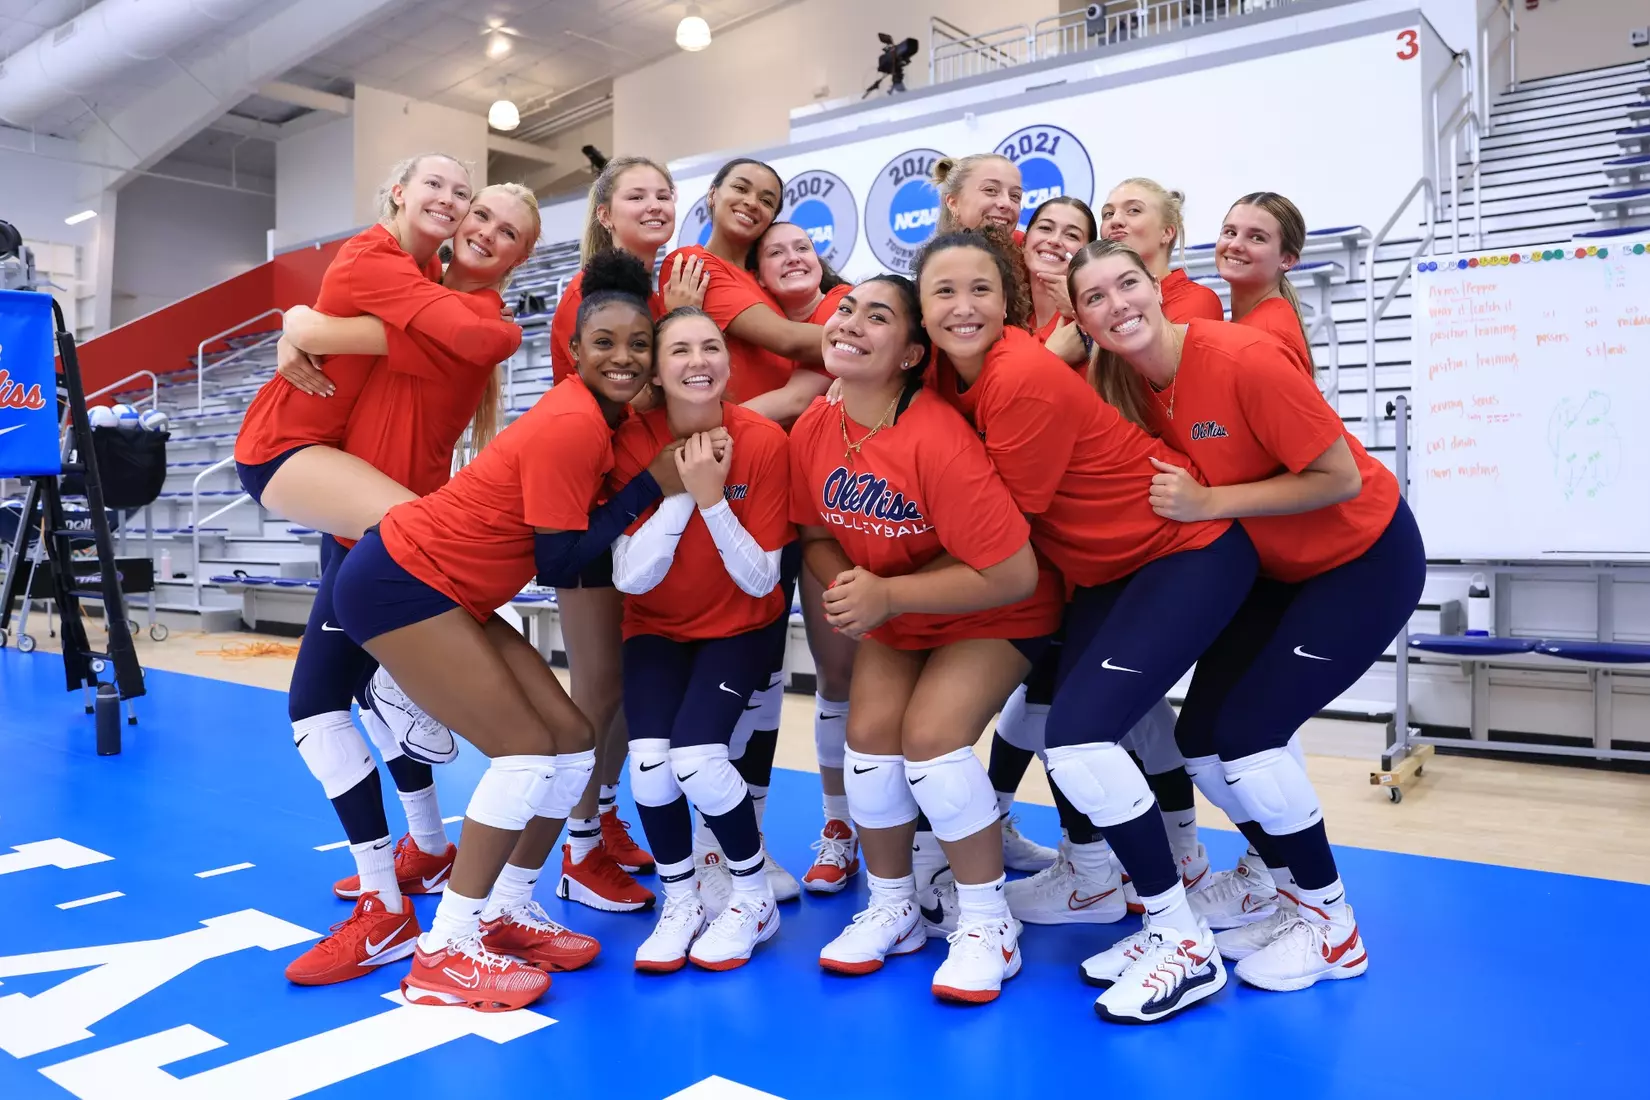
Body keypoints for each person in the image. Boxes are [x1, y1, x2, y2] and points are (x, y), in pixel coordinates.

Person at [917, 231, 1259, 1023]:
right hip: (1115, 569)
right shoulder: (947, 371)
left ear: (1011, 301)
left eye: (980, 290)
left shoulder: (1021, 378)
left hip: (1185, 553)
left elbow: (995, 530)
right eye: (943, 292)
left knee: (1077, 739)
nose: (964, 307)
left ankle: (1184, 939)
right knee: (1072, 728)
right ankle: (1106, 885)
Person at [327, 249, 680, 1009]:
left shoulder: (605, 418)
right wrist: (657, 485)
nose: (623, 357)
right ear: (575, 352)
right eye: (606, 343)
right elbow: (562, 558)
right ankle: (444, 950)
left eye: (638, 344)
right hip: (400, 582)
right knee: (525, 752)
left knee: (572, 740)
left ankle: (505, 909)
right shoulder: (574, 425)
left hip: (453, 588)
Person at [1070, 237, 1422, 993]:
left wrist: (1211, 504)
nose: (1117, 305)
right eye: (1094, 298)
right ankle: (1285, 889)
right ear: (1082, 324)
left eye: (1127, 284)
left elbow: (1334, 476)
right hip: (1276, 568)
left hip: (1363, 557)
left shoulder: (1243, 359)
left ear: (1157, 286)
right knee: (1201, 738)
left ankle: (1334, 930)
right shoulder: (1121, 382)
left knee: (1251, 739)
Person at [238, 161, 537, 986]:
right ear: (400, 194)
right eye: (467, 204)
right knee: (325, 696)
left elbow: (473, 337)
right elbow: (375, 326)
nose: (474, 222)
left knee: (321, 697)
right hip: (333, 484)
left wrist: (304, 324)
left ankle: (419, 864)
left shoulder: (462, 305)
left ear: (519, 256)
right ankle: (399, 880)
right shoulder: (380, 264)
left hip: (370, 506)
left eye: (505, 229)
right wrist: (300, 323)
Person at [795, 274, 1061, 1003]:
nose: (849, 322)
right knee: (870, 742)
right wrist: (852, 587)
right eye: (846, 308)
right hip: (900, 610)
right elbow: (813, 534)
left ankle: (987, 922)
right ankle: (894, 906)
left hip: (997, 608)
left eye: (876, 317)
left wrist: (885, 594)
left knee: (933, 741)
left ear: (912, 352)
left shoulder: (935, 433)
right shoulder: (817, 426)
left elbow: (1011, 573)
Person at [658, 160, 841, 905]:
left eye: (768, 199)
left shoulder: (760, 279)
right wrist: (766, 409)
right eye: (742, 191)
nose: (754, 206)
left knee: (764, 679)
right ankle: (710, 850)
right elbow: (803, 357)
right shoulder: (696, 267)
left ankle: (746, 844)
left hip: (779, 493)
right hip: (719, 490)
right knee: (720, 681)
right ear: (710, 197)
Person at [609, 307, 793, 973]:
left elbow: (761, 579)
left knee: (698, 760)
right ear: (657, 373)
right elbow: (630, 577)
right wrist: (685, 490)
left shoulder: (765, 442)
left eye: (710, 347)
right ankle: (680, 899)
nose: (698, 360)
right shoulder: (634, 440)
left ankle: (750, 898)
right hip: (654, 628)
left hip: (739, 626)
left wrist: (714, 499)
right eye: (679, 349)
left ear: (729, 363)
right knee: (651, 767)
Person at [546, 156, 704, 917]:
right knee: (599, 688)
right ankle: (576, 852)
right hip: (591, 506)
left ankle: (601, 818)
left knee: (624, 696)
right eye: (637, 194)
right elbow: (623, 392)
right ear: (605, 212)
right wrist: (673, 321)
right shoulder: (593, 297)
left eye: (665, 194)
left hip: (637, 504)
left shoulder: (660, 285)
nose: (655, 204)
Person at [746, 221, 861, 895]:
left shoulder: (843, 315)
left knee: (842, 671)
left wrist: (697, 419)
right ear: (758, 276)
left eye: (802, 247)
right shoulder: (748, 333)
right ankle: (808, 830)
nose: (792, 257)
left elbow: (796, 398)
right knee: (773, 676)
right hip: (761, 512)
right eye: (775, 252)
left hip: (838, 512)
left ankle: (850, 827)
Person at [1217, 191, 1315, 376]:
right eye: (1230, 232)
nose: (1235, 245)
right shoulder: (1253, 324)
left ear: (1287, 259)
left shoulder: (1270, 333)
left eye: (1257, 238)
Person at [1099, 177, 1222, 324]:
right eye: (1108, 214)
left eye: (1133, 210)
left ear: (1167, 232)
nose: (1115, 220)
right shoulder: (1095, 303)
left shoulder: (1196, 301)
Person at [1020, 195, 1097, 364]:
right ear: (1025, 241)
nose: (1054, 241)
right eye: (1046, 228)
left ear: (1087, 254)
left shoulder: (1094, 328)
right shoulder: (1007, 323)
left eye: (1071, 235)